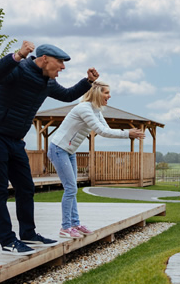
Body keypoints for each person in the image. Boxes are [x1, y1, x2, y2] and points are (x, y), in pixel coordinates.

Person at [0, 41, 99, 255]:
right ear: (44, 59)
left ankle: (28, 234)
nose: (63, 67)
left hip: (14, 139)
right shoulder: (18, 70)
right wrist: (17, 55)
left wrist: (87, 81)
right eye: (59, 62)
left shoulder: (47, 82)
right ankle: (7, 240)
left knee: (26, 187)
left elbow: (68, 95)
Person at [48, 81, 144, 238]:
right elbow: (100, 131)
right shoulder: (84, 108)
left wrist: (126, 134)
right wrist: (127, 133)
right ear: (96, 93)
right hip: (59, 149)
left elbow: (106, 129)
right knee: (70, 188)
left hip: (69, 151)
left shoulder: (96, 110)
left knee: (73, 189)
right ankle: (65, 227)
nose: (109, 96)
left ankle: (75, 223)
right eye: (106, 92)